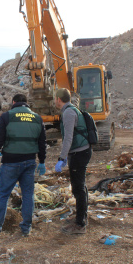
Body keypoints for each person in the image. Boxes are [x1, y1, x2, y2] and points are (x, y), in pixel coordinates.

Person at [0, 93, 47, 238]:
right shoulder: (37, 118)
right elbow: (42, 143)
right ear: (26, 103)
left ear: (14, 102)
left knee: (3, 195)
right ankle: (26, 228)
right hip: (29, 162)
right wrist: (42, 161)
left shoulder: (6, 117)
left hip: (10, 162)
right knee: (28, 195)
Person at [54, 88, 92, 234]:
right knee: (81, 186)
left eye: (55, 99)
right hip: (80, 151)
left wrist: (62, 158)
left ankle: (80, 225)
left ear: (59, 99)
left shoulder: (69, 112)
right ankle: (81, 216)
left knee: (78, 188)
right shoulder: (72, 109)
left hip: (79, 153)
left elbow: (68, 138)